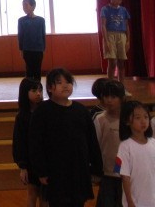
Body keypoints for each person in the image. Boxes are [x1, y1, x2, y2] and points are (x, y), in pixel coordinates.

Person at [29, 68, 103, 207]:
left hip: (78, 168)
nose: (65, 85)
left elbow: (92, 141)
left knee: (78, 202)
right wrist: (41, 171)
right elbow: (36, 144)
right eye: (59, 82)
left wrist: (96, 168)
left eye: (68, 82)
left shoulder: (81, 110)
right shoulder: (42, 111)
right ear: (49, 88)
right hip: (55, 170)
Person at [12, 78, 46, 207]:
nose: (38, 93)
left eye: (40, 90)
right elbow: (19, 142)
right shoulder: (22, 117)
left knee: (45, 197)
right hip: (31, 162)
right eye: (34, 90)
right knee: (32, 193)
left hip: (45, 160)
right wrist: (23, 166)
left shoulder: (45, 112)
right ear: (25, 93)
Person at [116, 100, 155, 207]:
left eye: (146, 117)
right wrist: (130, 202)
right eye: (138, 118)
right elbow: (124, 176)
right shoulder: (125, 146)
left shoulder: (153, 143)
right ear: (127, 121)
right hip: (136, 202)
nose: (143, 121)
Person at [94, 80, 126, 207]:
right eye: (106, 96)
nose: (109, 100)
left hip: (127, 172)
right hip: (107, 173)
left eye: (113, 97)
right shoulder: (100, 119)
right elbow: (95, 145)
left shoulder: (129, 118)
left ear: (122, 98)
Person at [100, 0, 131, 94]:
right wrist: (106, 41)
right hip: (110, 35)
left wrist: (128, 41)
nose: (118, 1)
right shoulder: (105, 9)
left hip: (121, 35)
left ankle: (122, 88)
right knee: (112, 62)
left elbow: (127, 26)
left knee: (121, 63)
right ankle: (109, 87)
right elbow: (103, 25)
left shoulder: (123, 10)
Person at [17, 0, 46, 80]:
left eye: (26, 5)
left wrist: (43, 48)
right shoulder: (21, 20)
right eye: (23, 5)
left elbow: (43, 35)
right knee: (29, 71)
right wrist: (21, 49)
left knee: (37, 70)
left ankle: (37, 86)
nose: (24, 7)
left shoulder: (41, 20)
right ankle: (29, 87)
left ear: (33, 6)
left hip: (38, 49)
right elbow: (20, 35)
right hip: (27, 49)